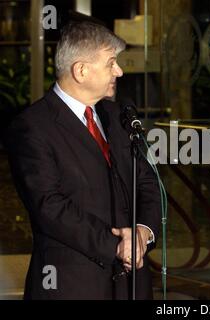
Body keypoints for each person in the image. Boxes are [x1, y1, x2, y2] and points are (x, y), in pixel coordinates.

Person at [5, 21, 161, 300]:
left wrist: (142, 233)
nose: (119, 71)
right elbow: (50, 207)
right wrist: (117, 245)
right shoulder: (31, 127)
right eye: (111, 63)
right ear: (81, 70)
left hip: (133, 285)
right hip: (70, 285)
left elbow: (148, 183)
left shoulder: (120, 116)